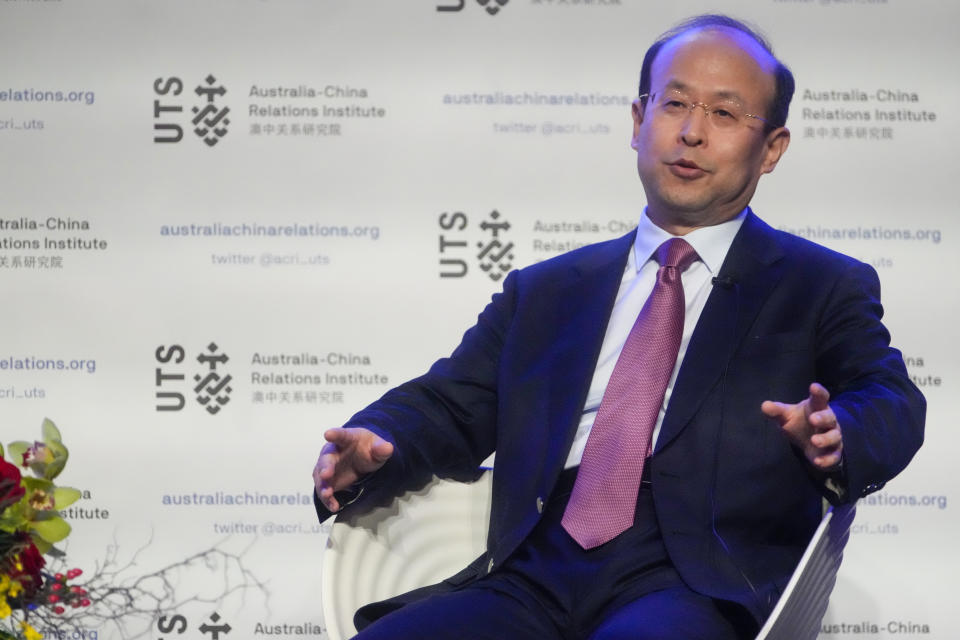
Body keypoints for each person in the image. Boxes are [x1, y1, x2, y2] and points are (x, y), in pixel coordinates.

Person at [312, 14, 925, 640]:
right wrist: (374, 439)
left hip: (694, 580)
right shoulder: (547, 290)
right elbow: (449, 404)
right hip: (530, 571)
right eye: (676, 103)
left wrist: (838, 433)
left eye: (723, 114)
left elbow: (891, 399)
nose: (690, 132)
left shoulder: (819, 285)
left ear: (770, 148)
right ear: (638, 121)